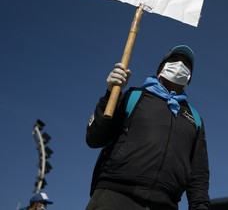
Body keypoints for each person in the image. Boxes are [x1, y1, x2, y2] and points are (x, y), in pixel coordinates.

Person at [86, 45, 210, 210]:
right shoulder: (133, 96)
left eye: (186, 65)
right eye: (174, 60)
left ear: (189, 79)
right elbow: (94, 138)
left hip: (166, 204)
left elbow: (198, 174)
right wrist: (110, 94)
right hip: (114, 196)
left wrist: (200, 206)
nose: (180, 65)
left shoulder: (195, 119)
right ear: (161, 68)